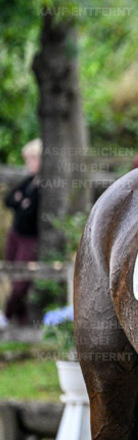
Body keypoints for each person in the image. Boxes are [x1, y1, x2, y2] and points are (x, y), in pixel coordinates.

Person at [1, 139, 42, 328]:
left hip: (30, 238)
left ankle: (6, 316)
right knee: (11, 274)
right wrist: (21, 202)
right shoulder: (28, 181)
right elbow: (9, 199)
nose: (28, 163)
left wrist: (22, 202)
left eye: (31, 159)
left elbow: (30, 211)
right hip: (15, 234)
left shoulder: (44, 185)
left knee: (21, 283)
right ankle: (22, 324)